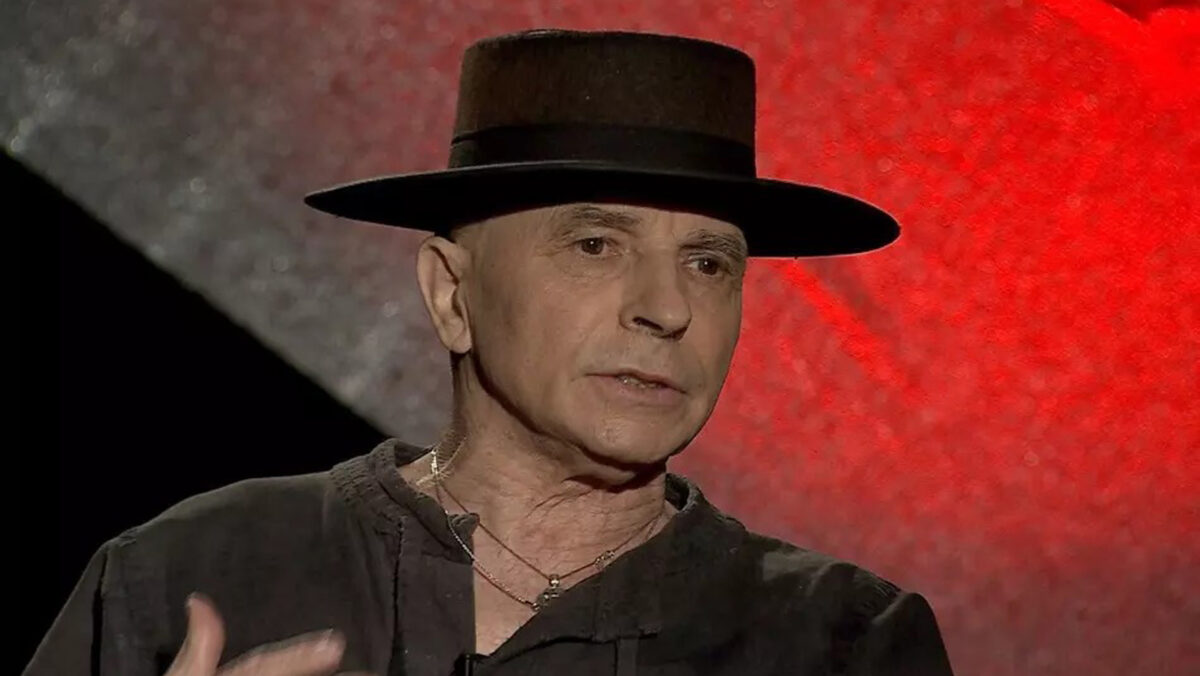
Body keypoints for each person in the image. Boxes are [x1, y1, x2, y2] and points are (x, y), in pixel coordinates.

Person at [26, 28, 954, 676]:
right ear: (452, 294)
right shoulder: (194, 573)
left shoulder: (841, 643)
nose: (669, 309)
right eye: (595, 244)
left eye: (709, 264)